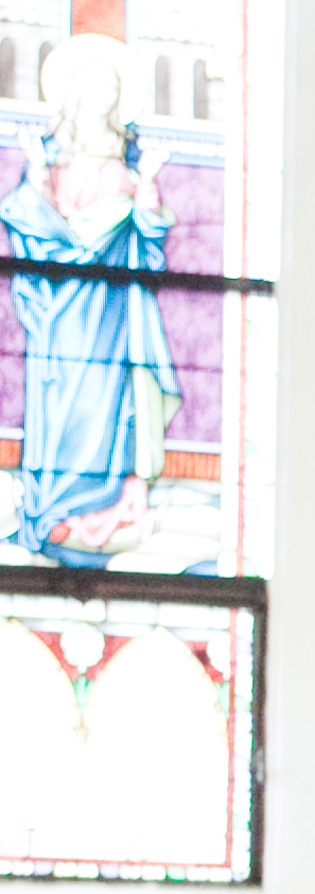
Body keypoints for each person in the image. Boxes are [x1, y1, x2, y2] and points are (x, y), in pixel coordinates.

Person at [7, 32, 180, 557]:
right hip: (58, 311)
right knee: (58, 406)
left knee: (106, 408)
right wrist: (37, 178)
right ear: (75, 94)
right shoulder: (51, 165)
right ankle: (50, 509)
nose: (105, 96)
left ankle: (99, 512)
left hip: (109, 312)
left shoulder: (126, 170)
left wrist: (147, 188)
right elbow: (30, 225)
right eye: (96, 85)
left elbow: (150, 238)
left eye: (112, 87)